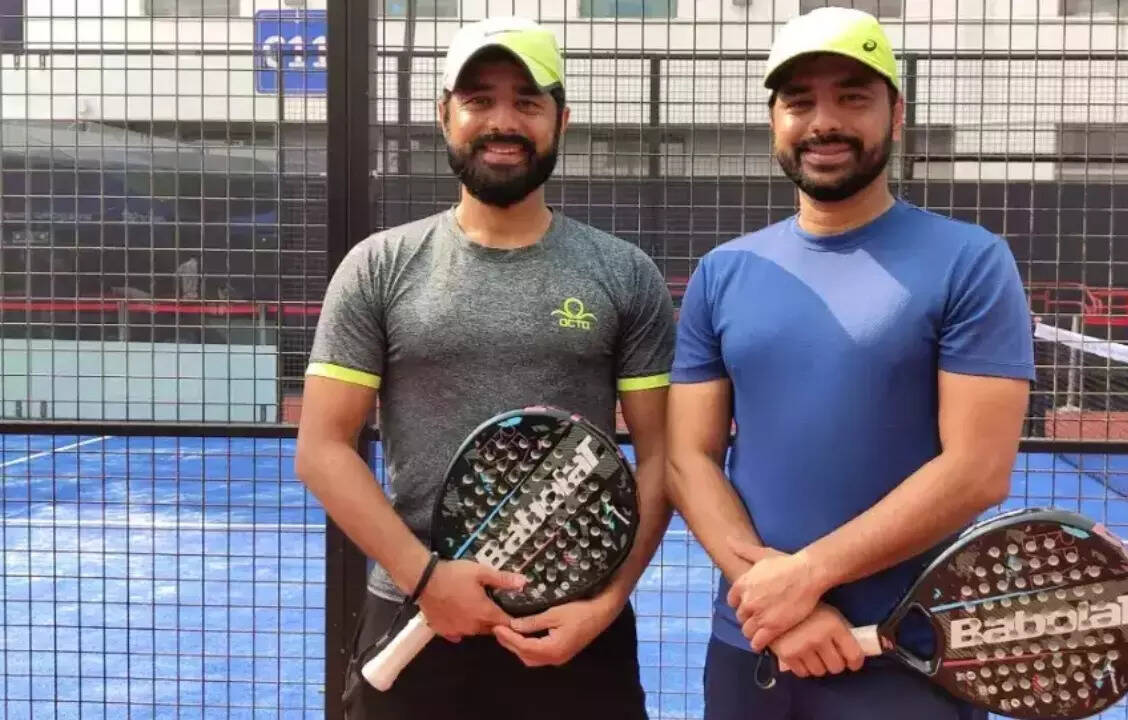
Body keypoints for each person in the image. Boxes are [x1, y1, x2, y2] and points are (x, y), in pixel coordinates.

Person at [294, 16, 675, 720]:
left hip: (575, 632)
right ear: (446, 114)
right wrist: (428, 579)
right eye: (479, 100)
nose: (503, 122)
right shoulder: (378, 267)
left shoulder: (624, 274)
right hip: (414, 617)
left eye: (527, 102)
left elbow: (662, 457)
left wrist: (605, 603)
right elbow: (322, 448)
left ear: (561, 120)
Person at [664, 7, 1034, 719]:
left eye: (852, 97)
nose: (824, 122)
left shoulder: (971, 262)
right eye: (799, 101)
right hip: (752, 648)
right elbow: (688, 458)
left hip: (909, 657)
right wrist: (779, 609)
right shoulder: (722, 272)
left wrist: (805, 577)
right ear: (774, 121)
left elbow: (977, 471)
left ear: (896, 115)